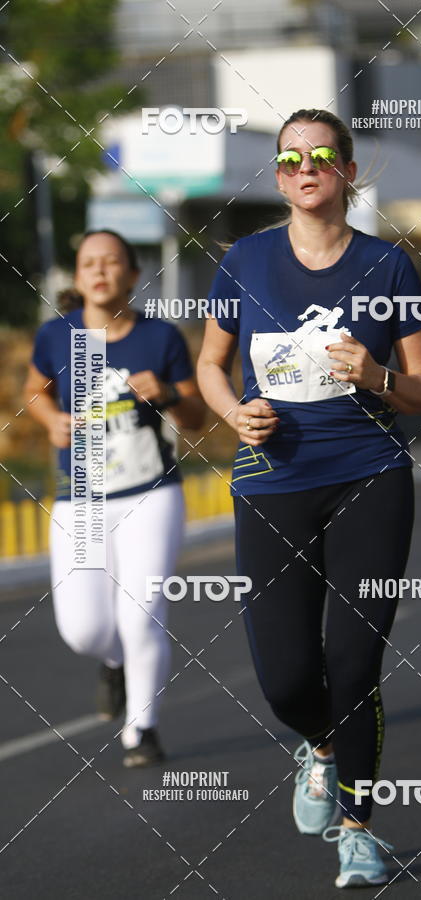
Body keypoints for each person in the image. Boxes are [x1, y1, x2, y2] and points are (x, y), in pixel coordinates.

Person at [197, 108, 421, 888]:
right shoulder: (243, 260)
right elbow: (210, 364)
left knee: (355, 661)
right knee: (289, 678)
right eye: (291, 158)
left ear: (349, 171)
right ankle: (321, 746)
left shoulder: (390, 266)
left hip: (370, 475)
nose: (307, 168)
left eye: (323, 155)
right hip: (271, 483)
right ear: (278, 175)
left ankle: (359, 829)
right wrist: (234, 412)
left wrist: (375, 377)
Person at [24, 229, 205, 767]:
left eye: (111, 262)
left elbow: (196, 419)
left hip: (151, 493)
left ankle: (141, 730)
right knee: (83, 629)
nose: (100, 271)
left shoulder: (159, 339)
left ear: (131, 274)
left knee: (142, 611)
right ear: (78, 279)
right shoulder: (58, 336)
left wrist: (169, 395)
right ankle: (111, 663)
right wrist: (51, 417)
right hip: (79, 495)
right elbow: (36, 391)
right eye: (88, 264)